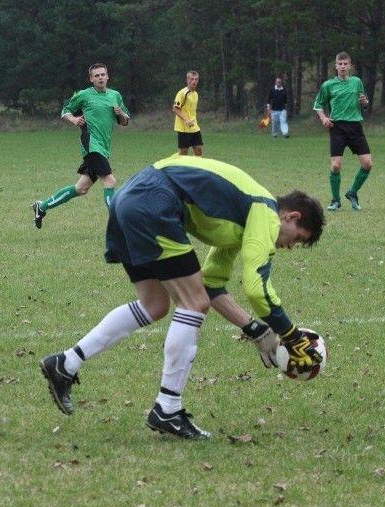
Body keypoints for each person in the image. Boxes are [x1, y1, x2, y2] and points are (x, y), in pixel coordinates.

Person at [39, 155, 326, 440]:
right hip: (155, 201)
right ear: (291, 217)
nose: (291, 246)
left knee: (155, 305)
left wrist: (255, 329)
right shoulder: (265, 214)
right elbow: (257, 288)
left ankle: (65, 363)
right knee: (193, 304)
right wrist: (291, 335)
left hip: (131, 197)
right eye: (298, 238)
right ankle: (168, 408)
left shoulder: (243, 216)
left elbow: (211, 285)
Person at [31, 63, 130, 229]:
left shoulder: (115, 95)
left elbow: (125, 121)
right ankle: (118, 224)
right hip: (91, 143)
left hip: (103, 147)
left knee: (81, 188)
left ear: (107, 76)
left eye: (102, 74)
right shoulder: (84, 95)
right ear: (91, 79)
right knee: (110, 180)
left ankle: (42, 206)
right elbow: (65, 110)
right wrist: (74, 119)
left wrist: (121, 114)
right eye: (96, 75)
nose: (100, 77)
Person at [313, 51, 373, 211]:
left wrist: (365, 102)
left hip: (355, 127)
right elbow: (318, 105)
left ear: (350, 66)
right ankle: (335, 200)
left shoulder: (357, 82)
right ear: (336, 66)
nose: (343, 66)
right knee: (336, 166)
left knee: (368, 164)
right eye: (340, 64)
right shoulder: (328, 85)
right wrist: (324, 118)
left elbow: (364, 103)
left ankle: (352, 193)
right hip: (337, 127)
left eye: (346, 64)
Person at [173, 70, 203, 155]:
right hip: (183, 128)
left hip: (194, 126)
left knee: (198, 150)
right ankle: (175, 163)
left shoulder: (196, 94)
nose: (194, 81)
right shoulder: (182, 93)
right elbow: (175, 109)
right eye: (192, 79)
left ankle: (196, 168)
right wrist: (186, 120)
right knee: (184, 153)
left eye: (196, 79)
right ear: (187, 80)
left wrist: (192, 120)